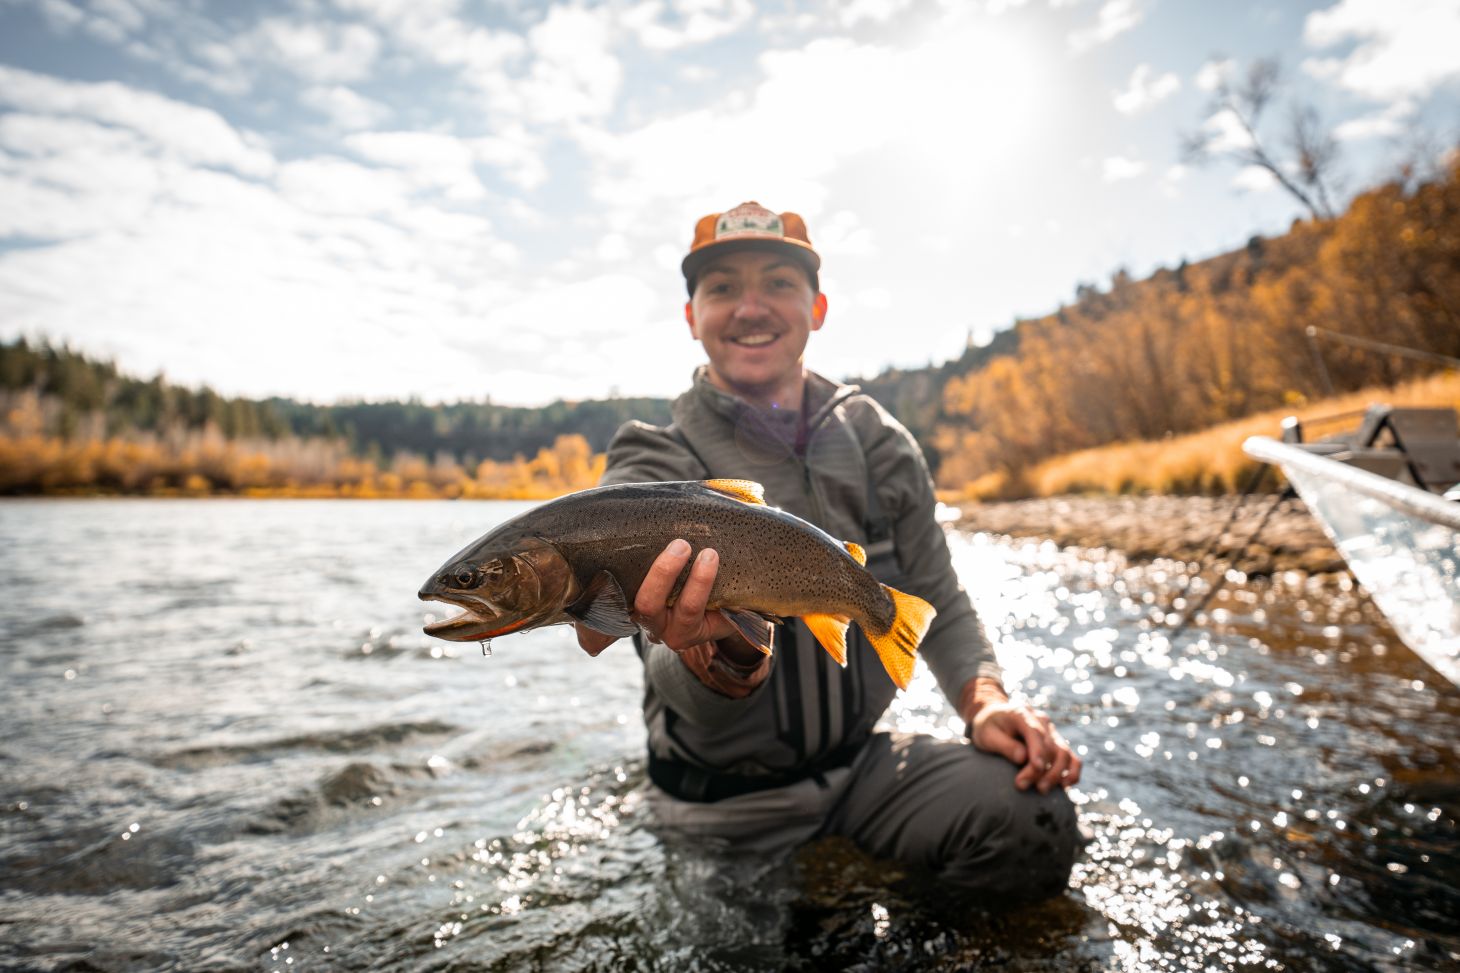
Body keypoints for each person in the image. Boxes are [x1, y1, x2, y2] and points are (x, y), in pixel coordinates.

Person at [575, 201, 1082, 900]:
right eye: (722, 287)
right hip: (718, 806)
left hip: (864, 773)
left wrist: (985, 700)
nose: (751, 307)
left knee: (1033, 817)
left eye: (777, 283)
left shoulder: (879, 441)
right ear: (691, 316)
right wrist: (721, 655)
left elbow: (938, 596)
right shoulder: (651, 459)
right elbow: (668, 671)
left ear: (816, 308)